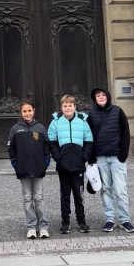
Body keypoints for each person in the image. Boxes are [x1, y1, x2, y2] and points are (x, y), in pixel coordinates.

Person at [88, 86, 134, 233]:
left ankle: (125, 219)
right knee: (105, 189)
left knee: (120, 190)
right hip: (100, 157)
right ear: (95, 99)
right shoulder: (91, 114)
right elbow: (89, 136)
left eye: (103, 95)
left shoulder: (118, 111)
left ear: (107, 96)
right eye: (98, 96)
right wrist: (91, 156)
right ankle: (109, 219)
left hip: (116, 157)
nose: (101, 97)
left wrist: (123, 154)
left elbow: (126, 133)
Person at [48, 94, 93, 234]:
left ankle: (82, 221)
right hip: (63, 165)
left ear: (75, 107)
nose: (67, 108)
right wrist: (58, 157)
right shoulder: (56, 122)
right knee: (65, 194)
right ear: (61, 107)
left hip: (78, 165)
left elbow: (89, 141)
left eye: (70, 105)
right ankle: (65, 222)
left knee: (79, 195)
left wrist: (84, 157)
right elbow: (52, 142)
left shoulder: (83, 121)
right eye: (65, 106)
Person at [7, 100, 51, 239]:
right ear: (21, 113)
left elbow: (47, 148)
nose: (27, 113)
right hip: (23, 169)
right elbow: (11, 149)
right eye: (24, 111)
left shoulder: (40, 128)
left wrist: (45, 163)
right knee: (27, 198)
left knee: (39, 198)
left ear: (34, 111)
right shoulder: (15, 129)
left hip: (38, 169)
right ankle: (31, 227)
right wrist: (16, 164)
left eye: (29, 110)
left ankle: (43, 227)